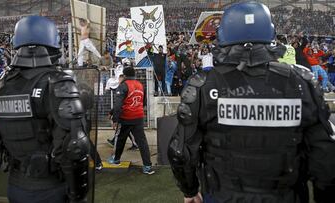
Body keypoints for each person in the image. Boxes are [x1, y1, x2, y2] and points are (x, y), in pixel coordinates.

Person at [168, 2, 335, 203]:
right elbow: (326, 157)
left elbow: (180, 151)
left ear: (223, 37)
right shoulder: (302, 82)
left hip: (221, 196)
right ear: (271, 35)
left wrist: (190, 190)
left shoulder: (203, 85)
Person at [0, 16, 92, 203]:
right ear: (52, 43)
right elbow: (74, 147)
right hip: (50, 188)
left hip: (15, 186)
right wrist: (78, 195)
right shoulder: (58, 82)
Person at [108, 66, 154, 175]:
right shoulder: (140, 85)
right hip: (138, 117)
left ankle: (116, 160)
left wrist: (115, 119)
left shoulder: (123, 86)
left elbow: (119, 104)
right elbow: (143, 102)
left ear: (124, 75)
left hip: (126, 118)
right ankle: (147, 166)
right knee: (142, 142)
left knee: (120, 139)